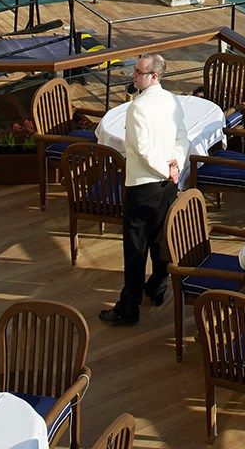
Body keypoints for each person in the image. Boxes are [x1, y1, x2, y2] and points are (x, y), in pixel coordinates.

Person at [100, 53, 189, 326]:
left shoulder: (137, 108)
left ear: (154, 76)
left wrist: (166, 169)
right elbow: (182, 137)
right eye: (135, 71)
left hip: (143, 185)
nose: (133, 76)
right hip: (168, 185)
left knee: (135, 248)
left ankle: (129, 307)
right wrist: (176, 166)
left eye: (138, 72)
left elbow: (141, 150)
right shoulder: (171, 99)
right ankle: (157, 287)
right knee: (162, 240)